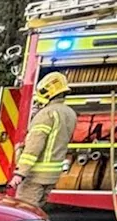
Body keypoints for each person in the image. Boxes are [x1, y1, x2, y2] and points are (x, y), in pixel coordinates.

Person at [9, 71, 76, 209]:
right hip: (51, 176)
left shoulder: (46, 115)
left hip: (35, 176)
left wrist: (20, 173)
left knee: (24, 213)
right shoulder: (70, 113)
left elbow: (34, 148)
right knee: (37, 212)